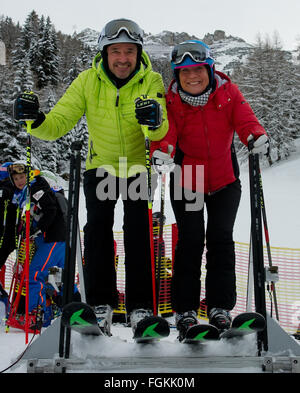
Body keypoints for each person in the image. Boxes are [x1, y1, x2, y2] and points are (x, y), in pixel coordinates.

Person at [13, 19, 169, 336]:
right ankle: (100, 305)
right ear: (105, 53)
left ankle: (140, 310)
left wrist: (152, 121)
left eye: (129, 51)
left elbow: (160, 127)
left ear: (138, 53)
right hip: (101, 165)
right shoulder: (88, 81)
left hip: (138, 165)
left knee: (138, 232)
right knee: (97, 229)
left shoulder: (151, 79)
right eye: (116, 51)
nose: (123, 58)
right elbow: (57, 123)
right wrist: (35, 119)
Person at [151, 40, 269, 341]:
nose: (192, 76)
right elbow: (168, 133)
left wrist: (255, 136)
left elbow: (245, 119)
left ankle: (219, 308)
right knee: (190, 242)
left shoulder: (227, 92)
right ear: (177, 75)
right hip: (188, 179)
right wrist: (162, 151)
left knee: (220, 241)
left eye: (198, 70)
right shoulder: (172, 101)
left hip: (224, 181)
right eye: (184, 71)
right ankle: (185, 311)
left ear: (209, 69)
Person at [6, 162, 68, 332]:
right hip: (54, 240)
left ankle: (34, 316)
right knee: (56, 277)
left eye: (22, 177)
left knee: (34, 274)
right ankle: (66, 309)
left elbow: (51, 209)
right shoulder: (26, 192)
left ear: (30, 175)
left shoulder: (37, 187)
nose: (19, 181)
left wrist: (37, 229)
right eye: (16, 178)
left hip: (52, 239)